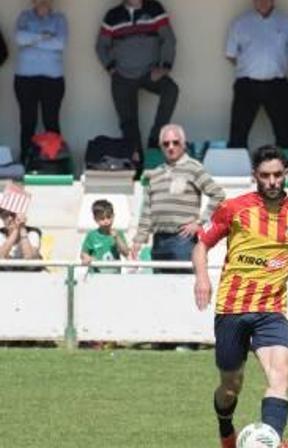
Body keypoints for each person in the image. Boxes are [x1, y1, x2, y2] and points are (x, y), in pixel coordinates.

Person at [194, 144, 288, 448]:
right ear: (254, 177)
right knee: (231, 387)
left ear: (286, 174)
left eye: (277, 175)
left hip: (271, 310)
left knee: (281, 373)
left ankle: (274, 447)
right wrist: (202, 277)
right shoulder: (234, 209)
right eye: (265, 176)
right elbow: (202, 244)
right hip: (232, 309)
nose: (272, 181)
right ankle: (225, 432)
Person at [131, 124, 225, 274]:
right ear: (161, 147)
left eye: (175, 142)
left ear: (183, 144)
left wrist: (200, 222)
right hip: (158, 240)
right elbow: (147, 210)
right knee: (161, 290)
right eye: (166, 143)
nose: (171, 147)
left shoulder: (194, 168)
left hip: (183, 240)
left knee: (185, 288)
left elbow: (218, 195)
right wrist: (138, 240)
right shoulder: (154, 173)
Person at [96, 0, 178, 169]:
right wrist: (111, 69)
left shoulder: (155, 9)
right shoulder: (113, 15)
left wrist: (164, 67)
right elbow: (100, 46)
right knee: (128, 124)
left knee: (171, 89)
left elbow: (169, 39)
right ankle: (138, 166)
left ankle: (155, 141)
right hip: (123, 76)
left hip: (149, 73)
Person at [226, 0, 288, 150]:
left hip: (277, 85)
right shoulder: (240, 23)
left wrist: (273, 68)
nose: (262, 2)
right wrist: (251, 68)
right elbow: (230, 54)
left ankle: (287, 170)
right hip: (247, 85)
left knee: (284, 133)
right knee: (238, 134)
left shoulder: (287, 23)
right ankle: (235, 172)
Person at [14, 0, 68, 162]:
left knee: (51, 122)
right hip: (25, 78)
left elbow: (60, 43)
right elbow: (19, 38)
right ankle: (26, 161)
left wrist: (32, 41)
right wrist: (45, 36)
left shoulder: (59, 18)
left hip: (53, 79)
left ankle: (54, 162)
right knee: (27, 121)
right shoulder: (24, 16)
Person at [81, 199, 130, 274]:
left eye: (108, 217)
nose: (106, 221)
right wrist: (86, 257)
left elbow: (126, 253)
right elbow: (83, 253)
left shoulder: (118, 234)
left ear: (113, 216)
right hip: (95, 276)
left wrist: (117, 238)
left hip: (114, 277)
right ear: (95, 219)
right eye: (102, 219)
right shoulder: (92, 235)